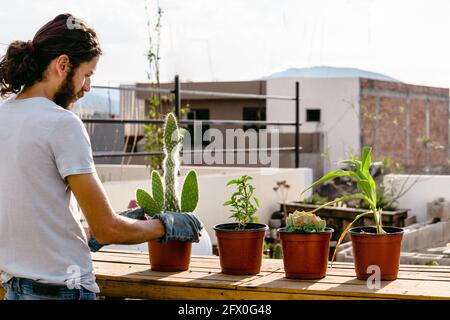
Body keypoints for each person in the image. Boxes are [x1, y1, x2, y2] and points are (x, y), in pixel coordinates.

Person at [0, 13, 203, 300]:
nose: (87, 87)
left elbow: (33, 221)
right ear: (62, 65)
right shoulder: (62, 123)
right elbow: (107, 229)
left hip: (15, 291)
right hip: (64, 291)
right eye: (87, 74)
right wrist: (168, 225)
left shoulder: (3, 115)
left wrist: (97, 232)